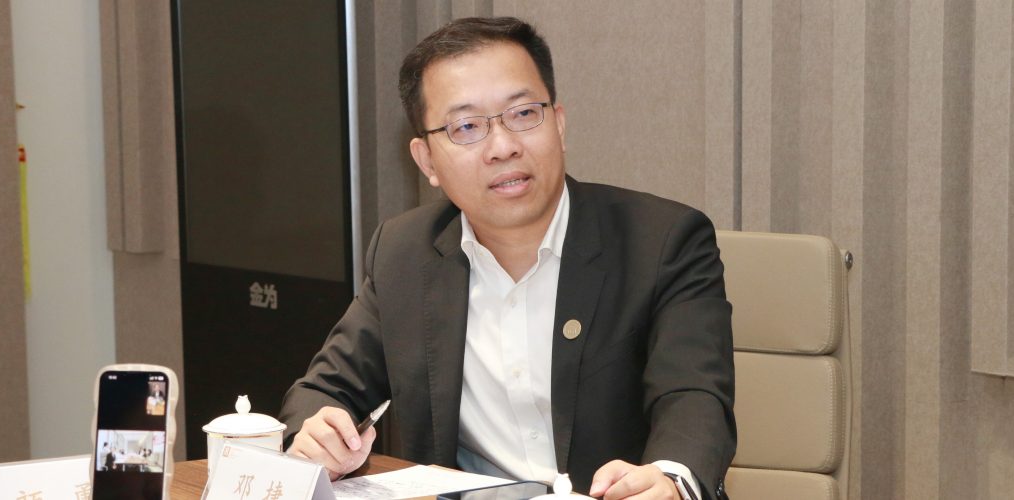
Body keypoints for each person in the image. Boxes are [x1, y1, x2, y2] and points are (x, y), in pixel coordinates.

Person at [279, 17, 734, 500]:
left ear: (559, 124)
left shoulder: (663, 241)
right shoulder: (405, 252)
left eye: (523, 114)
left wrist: (670, 478)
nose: (503, 147)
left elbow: (694, 397)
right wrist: (319, 435)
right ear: (427, 160)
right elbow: (324, 391)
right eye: (466, 126)